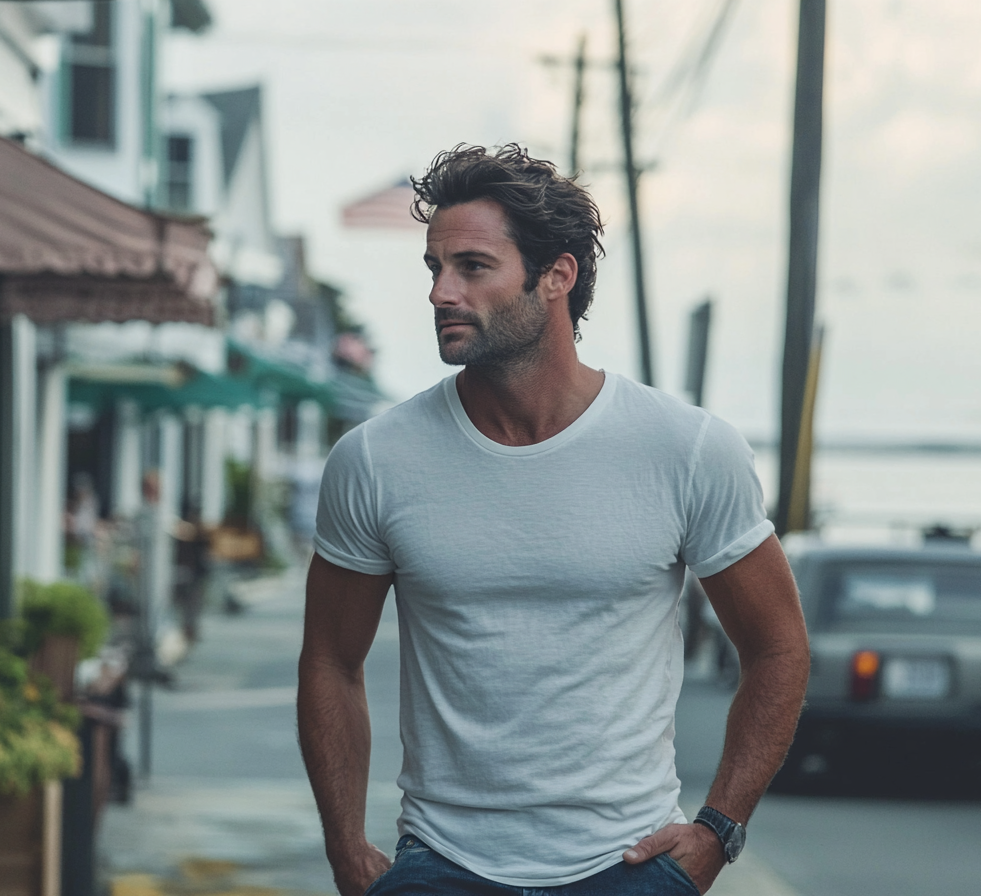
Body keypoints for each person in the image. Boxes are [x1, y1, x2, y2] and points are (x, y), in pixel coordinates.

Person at [297, 145, 810, 895]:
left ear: (556, 277)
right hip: (442, 864)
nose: (441, 291)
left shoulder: (686, 448)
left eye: (472, 266)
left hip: (630, 866)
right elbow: (329, 661)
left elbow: (778, 647)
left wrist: (716, 832)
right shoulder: (376, 459)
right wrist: (346, 849)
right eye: (434, 267)